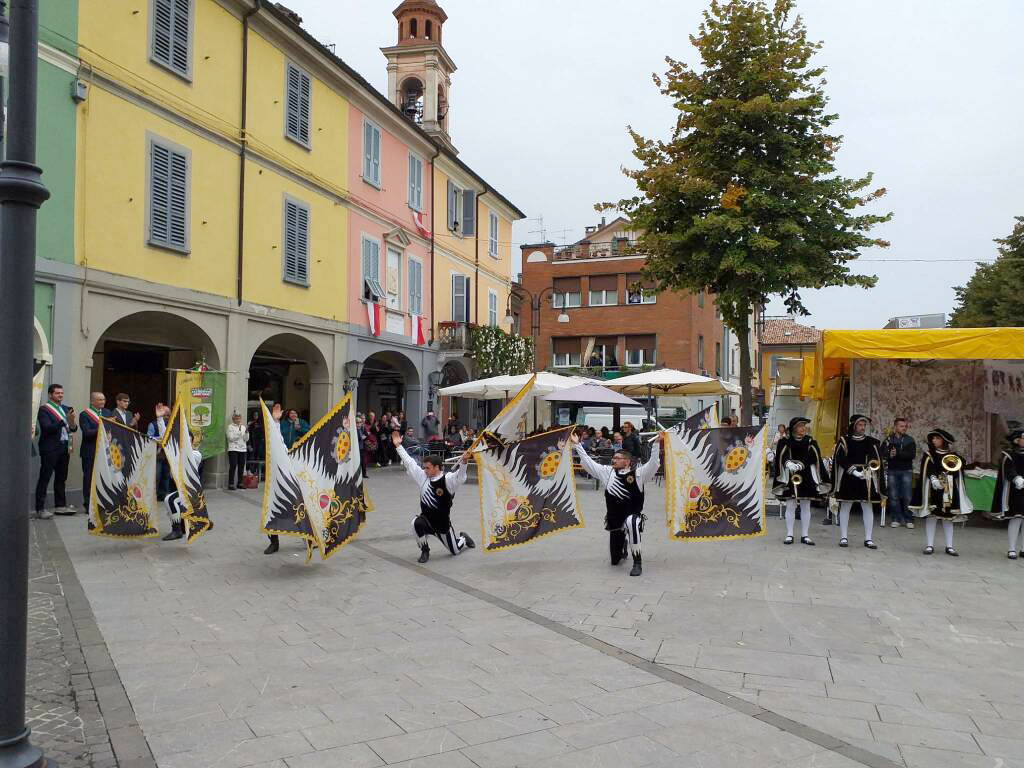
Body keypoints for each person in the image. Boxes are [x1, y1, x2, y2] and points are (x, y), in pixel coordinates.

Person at [571, 431, 663, 576]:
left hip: (632, 516)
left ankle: (637, 563)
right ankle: (623, 547)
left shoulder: (638, 475)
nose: (613, 460)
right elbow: (588, 462)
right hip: (615, 520)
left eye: (618, 458)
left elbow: (653, 464)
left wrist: (657, 444)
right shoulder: (607, 472)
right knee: (615, 560)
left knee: (632, 522)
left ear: (627, 462)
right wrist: (577, 445)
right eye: (613, 458)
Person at [392, 431, 475, 563]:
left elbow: (460, 477)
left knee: (455, 551)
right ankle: (425, 550)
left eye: (428, 468)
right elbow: (409, 462)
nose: (424, 470)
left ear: (437, 467)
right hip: (427, 522)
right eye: (424, 467)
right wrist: (398, 446)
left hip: (443, 526)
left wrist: (464, 462)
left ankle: (463, 538)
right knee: (416, 523)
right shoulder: (423, 477)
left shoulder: (447, 480)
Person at [911, 428, 971, 556]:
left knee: (948, 518)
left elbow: (958, 470)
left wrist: (949, 476)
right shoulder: (929, 455)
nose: (934, 440)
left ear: (944, 440)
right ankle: (929, 545)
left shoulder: (953, 456)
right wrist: (934, 479)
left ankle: (949, 546)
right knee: (932, 517)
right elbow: (928, 468)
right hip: (934, 489)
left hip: (948, 490)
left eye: (937, 438)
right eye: (933, 438)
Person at [830, 414, 885, 549]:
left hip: (866, 477)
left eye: (864, 425)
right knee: (846, 506)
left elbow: (876, 459)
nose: (862, 427)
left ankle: (868, 538)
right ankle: (843, 537)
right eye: (860, 425)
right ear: (853, 426)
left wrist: (869, 472)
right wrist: (854, 471)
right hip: (849, 476)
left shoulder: (871, 441)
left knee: (867, 506)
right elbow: (840, 458)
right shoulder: (844, 440)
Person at [772, 417, 829, 545]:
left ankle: (805, 535)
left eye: (804, 425)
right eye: (800, 426)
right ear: (793, 428)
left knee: (806, 506)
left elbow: (815, 457)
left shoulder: (810, 442)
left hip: (806, 476)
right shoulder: (785, 441)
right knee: (791, 505)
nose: (803, 428)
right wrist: (788, 463)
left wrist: (802, 464)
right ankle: (789, 534)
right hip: (790, 477)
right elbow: (781, 455)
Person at [35, 383, 78, 519]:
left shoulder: (65, 408)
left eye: (61, 393)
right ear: (50, 394)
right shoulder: (44, 410)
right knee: (45, 478)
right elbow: (47, 428)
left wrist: (72, 422)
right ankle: (40, 509)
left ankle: (60, 506)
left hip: (64, 447)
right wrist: (64, 419)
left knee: (61, 478)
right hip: (50, 448)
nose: (60, 395)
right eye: (57, 393)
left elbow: (73, 428)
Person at [992, 428, 1024, 559]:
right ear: (1017, 440)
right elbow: (1008, 469)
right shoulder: (1008, 454)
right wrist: (1016, 478)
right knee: (1015, 518)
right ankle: (1011, 548)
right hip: (1015, 491)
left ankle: (1023, 548)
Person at [163, 447, 203, 541]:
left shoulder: (196, 453)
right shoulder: (175, 453)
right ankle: (195, 523)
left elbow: (187, 457)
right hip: (181, 489)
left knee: (169, 500)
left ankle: (176, 530)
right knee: (173, 503)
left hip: (191, 490)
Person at [883, 418, 917, 528]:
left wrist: (897, 453)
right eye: (902, 426)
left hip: (906, 471)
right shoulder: (888, 439)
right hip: (892, 471)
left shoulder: (910, 440)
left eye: (905, 426)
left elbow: (911, 455)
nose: (904, 428)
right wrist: (890, 455)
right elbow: (882, 453)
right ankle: (895, 519)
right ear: (895, 427)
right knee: (893, 496)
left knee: (907, 496)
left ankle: (909, 519)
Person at [78, 392, 109, 511]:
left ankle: (102, 503)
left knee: (103, 478)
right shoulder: (84, 415)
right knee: (89, 478)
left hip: (104, 451)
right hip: (90, 452)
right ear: (92, 401)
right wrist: (103, 424)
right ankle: (88, 504)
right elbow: (87, 433)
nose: (102, 401)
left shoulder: (107, 413)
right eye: (99, 399)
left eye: (103, 399)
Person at [147, 404, 171, 501]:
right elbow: (148, 437)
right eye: (165, 415)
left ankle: (163, 495)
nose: (167, 417)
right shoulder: (153, 424)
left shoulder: (172, 424)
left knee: (166, 475)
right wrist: (158, 440)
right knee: (156, 475)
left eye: (168, 415)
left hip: (168, 454)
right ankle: (153, 495)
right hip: (158, 453)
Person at [226, 412, 248, 490]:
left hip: (242, 449)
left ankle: (240, 483)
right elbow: (230, 438)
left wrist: (246, 433)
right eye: (236, 418)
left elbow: (246, 439)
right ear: (233, 419)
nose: (238, 420)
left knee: (241, 466)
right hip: (233, 449)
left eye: (239, 418)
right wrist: (239, 433)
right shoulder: (230, 427)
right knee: (233, 465)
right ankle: (231, 483)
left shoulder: (243, 427)